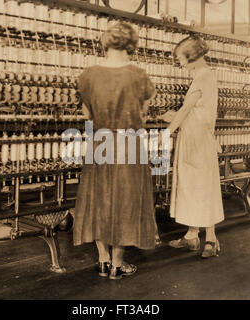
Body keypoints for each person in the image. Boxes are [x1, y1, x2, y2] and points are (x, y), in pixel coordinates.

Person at [73, 22, 157, 279]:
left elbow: (86, 114)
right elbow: (143, 114)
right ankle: (118, 265)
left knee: (98, 199)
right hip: (129, 144)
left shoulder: (88, 75)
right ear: (132, 44)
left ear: (105, 42)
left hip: (99, 142)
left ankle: (102, 259)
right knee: (126, 201)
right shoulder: (139, 75)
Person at [159, 34, 224, 258]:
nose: (179, 62)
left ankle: (212, 239)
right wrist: (174, 117)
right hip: (194, 138)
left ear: (191, 56)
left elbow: (187, 110)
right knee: (191, 187)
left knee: (203, 188)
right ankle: (191, 236)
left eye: (180, 57)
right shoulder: (203, 76)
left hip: (198, 141)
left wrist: (167, 132)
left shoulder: (203, 76)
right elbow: (194, 110)